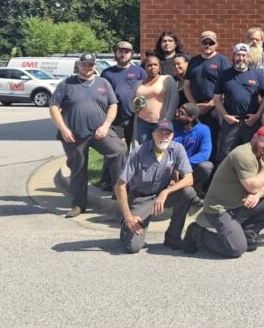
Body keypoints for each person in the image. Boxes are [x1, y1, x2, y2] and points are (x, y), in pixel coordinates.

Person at [182, 125, 264, 258]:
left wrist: (257, 195)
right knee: (236, 249)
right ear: (255, 137)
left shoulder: (262, 155)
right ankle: (197, 234)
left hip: (239, 204)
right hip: (219, 208)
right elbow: (253, 187)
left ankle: (247, 234)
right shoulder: (244, 154)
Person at [48, 52, 124, 218]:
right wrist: (63, 129)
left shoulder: (103, 83)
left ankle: (119, 193)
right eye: (84, 64)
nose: (87, 67)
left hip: (100, 131)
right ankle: (78, 205)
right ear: (79, 65)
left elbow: (113, 105)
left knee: (117, 151)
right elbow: (53, 106)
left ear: (94, 66)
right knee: (78, 168)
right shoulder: (66, 84)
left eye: (90, 64)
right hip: (74, 135)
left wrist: (105, 126)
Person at [114, 120, 194, 253]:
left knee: (188, 192)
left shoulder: (177, 149)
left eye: (167, 134)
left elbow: (189, 179)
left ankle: (173, 237)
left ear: (172, 135)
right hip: (141, 197)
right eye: (160, 133)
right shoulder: (138, 152)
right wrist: (128, 217)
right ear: (153, 134)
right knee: (133, 247)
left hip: (162, 194)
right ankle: (125, 224)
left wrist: (165, 192)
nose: (164, 137)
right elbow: (119, 186)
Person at [99, 40, 146, 189]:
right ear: (115, 53)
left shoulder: (139, 71)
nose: (123, 54)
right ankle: (107, 180)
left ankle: (133, 179)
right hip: (114, 119)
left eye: (127, 51)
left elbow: (144, 91)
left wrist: (141, 106)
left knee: (135, 150)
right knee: (112, 150)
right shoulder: (107, 73)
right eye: (120, 51)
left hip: (134, 118)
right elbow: (101, 95)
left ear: (131, 54)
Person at [214, 43, 264, 156]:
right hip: (231, 123)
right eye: (238, 55)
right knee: (226, 154)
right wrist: (225, 116)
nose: (241, 58)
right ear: (233, 56)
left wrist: (258, 115)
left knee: (252, 154)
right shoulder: (224, 75)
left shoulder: (257, 74)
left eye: (244, 55)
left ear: (248, 57)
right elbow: (216, 98)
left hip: (251, 122)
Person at [184, 30, 231, 160]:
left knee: (214, 139)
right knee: (194, 138)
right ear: (200, 44)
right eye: (205, 42)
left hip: (215, 108)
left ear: (216, 44)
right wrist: (194, 105)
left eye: (211, 43)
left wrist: (210, 104)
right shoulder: (194, 61)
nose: (208, 45)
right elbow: (186, 85)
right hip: (195, 109)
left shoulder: (222, 60)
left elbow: (227, 87)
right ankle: (195, 165)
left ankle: (213, 167)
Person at [132, 53, 180, 144]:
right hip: (142, 122)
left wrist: (166, 121)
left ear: (159, 66)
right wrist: (135, 103)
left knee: (161, 148)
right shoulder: (138, 83)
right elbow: (132, 103)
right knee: (145, 148)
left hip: (161, 123)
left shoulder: (167, 79)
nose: (153, 67)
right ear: (145, 67)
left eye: (155, 65)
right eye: (149, 65)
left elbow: (173, 102)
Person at [172, 102, 214, 197]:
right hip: (172, 166)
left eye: (181, 113)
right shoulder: (173, 127)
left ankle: (194, 192)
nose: (177, 114)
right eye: (178, 111)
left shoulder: (203, 130)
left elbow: (205, 154)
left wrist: (183, 165)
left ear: (191, 118)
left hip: (190, 166)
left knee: (207, 166)